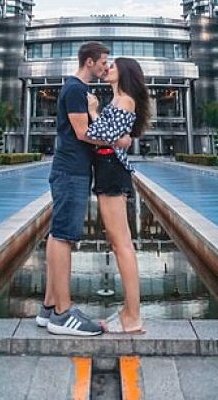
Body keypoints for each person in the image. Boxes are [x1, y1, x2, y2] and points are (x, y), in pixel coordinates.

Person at [37, 40, 111, 337]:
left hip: (71, 170)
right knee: (64, 237)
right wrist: (113, 139)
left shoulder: (75, 89)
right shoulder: (76, 89)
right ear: (90, 61)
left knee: (59, 235)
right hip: (71, 171)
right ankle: (62, 314)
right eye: (104, 61)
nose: (106, 66)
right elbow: (84, 133)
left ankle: (49, 307)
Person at [85, 56, 151, 335]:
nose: (107, 68)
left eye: (112, 66)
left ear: (123, 72)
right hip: (108, 167)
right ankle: (127, 311)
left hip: (112, 168)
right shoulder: (118, 100)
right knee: (117, 242)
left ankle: (133, 316)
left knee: (121, 244)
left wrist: (92, 110)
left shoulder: (124, 100)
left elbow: (104, 134)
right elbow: (116, 137)